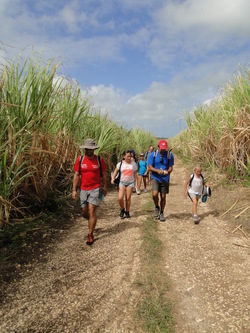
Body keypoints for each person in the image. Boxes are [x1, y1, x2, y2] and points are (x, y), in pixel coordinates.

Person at [72, 138, 108, 245]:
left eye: (91, 149)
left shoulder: (99, 160)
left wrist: (105, 187)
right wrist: (74, 189)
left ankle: (90, 235)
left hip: (95, 188)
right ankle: (92, 221)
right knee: (84, 212)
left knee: (92, 210)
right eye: (87, 149)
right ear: (85, 149)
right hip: (84, 189)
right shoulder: (80, 160)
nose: (89, 150)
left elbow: (104, 174)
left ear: (94, 149)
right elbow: (77, 175)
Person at [147, 140, 174, 222]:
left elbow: (170, 168)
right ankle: (156, 207)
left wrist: (167, 172)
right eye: (161, 149)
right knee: (155, 194)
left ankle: (162, 212)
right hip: (155, 177)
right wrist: (157, 171)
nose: (162, 150)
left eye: (164, 149)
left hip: (165, 178)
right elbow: (149, 167)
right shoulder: (153, 155)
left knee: (163, 196)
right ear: (158, 147)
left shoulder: (170, 155)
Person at [111, 150, 138, 219]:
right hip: (122, 182)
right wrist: (112, 178)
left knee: (128, 198)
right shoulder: (120, 164)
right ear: (124, 156)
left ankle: (127, 212)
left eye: (130, 156)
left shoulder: (133, 164)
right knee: (120, 198)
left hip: (130, 182)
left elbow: (135, 174)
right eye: (128, 156)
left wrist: (136, 183)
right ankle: (122, 209)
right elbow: (115, 171)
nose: (129, 158)